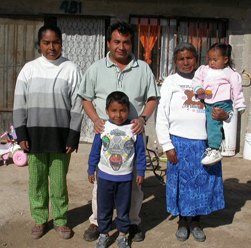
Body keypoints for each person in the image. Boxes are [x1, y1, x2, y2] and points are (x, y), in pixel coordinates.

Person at [78, 21, 159, 242]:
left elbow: (152, 98)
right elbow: (85, 98)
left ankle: (132, 223)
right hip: (106, 136)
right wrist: (95, 119)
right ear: (108, 42)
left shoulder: (142, 68)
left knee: (134, 184)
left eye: (126, 42)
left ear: (131, 43)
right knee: (101, 184)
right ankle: (97, 222)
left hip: (133, 134)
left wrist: (143, 119)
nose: (121, 47)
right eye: (116, 42)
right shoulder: (96, 68)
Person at [13, 25, 83, 240]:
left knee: (59, 182)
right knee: (37, 181)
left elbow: (78, 105)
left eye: (56, 42)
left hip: (61, 139)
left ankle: (61, 221)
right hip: (34, 138)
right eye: (46, 42)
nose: (51, 47)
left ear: (61, 43)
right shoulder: (29, 69)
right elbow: (19, 104)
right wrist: (22, 134)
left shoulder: (71, 69)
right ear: (40, 44)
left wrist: (73, 136)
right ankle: (40, 219)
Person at [156, 42, 229, 242]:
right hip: (179, 142)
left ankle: (196, 221)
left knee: (201, 184)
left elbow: (223, 107)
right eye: (181, 59)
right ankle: (181, 221)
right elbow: (162, 115)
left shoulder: (209, 79)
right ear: (175, 62)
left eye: (190, 58)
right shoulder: (171, 82)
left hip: (204, 144)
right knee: (181, 184)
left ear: (197, 59)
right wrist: (167, 145)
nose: (186, 62)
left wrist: (225, 115)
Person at [87, 91, 147, 248]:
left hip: (125, 178)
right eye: (114, 110)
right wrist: (90, 168)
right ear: (107, 110)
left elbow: (141, 153)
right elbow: (95, 150)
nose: (118, 115)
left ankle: (122, 235)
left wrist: (140, 172)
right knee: (104, 208)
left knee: (123, 209)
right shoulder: (103, 127)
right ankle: (103, 234)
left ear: (128, 110)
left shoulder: (134, 128)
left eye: (122, 110)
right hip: (105, 178)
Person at [192, 42, 246, 166]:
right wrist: (198, 88)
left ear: (225, 59)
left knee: (214, 124)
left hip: (222, 101)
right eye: (209, 59)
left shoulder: (230, 74)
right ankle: (214, 145)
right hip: (209, 101)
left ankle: (215, 149)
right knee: (210, 124)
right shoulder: (204, 69)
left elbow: (237, 90)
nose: (211, 62)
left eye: (215, 59)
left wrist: (240, 104)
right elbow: (196, 79)